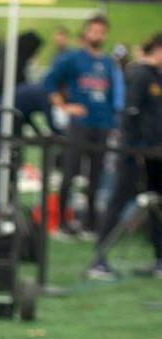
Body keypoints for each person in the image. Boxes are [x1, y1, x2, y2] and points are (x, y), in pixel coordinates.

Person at [86, 33, 162, 280]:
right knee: (118, 202)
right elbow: (129, 115)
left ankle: (160, 260)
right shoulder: (140, 74)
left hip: (153, 154)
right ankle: (99, 260)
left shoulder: (155, 76)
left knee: (156, 206)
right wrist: (133, 149)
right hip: (134, 154)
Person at [44, 15, 124, 238]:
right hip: (79, 125)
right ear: (86, 33)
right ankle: (61, 224)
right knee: (70, 173)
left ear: (105, 34)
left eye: (101, 31)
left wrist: (112, 122)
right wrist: (65, 106)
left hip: (102, 125)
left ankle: (89, 224)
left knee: (96, 177)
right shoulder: (73, 59)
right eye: (93, 30)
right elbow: (49, 82)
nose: (97, 34)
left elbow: (111, 95)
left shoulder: (108, 63)